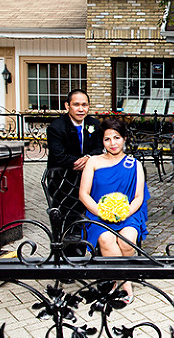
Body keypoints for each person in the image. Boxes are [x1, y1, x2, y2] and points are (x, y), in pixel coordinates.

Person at [79, 118, 149, 303]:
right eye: (107, 139)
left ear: (124, 138)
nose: (112, 143)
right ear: (102, 141)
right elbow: (84, 195)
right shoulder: (93, 162)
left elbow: (138, 197)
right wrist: (102, 212)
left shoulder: (134, 164)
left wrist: (122, 213)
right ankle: (126, 284)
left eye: (117, 138)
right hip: (98, 215)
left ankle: (116, 279)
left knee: (127, 239)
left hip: (127, 214)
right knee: (106, 239)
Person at [47, 89, 104, 170]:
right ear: (67, 106)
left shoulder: (95, 124)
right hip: (63, 173)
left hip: (90, 172)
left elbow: (98, 148)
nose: (81, 109)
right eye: (76, 105)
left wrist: (88, 158)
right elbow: (58, 156)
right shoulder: (55, 128)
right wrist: (82, 163)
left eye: (84, 105)